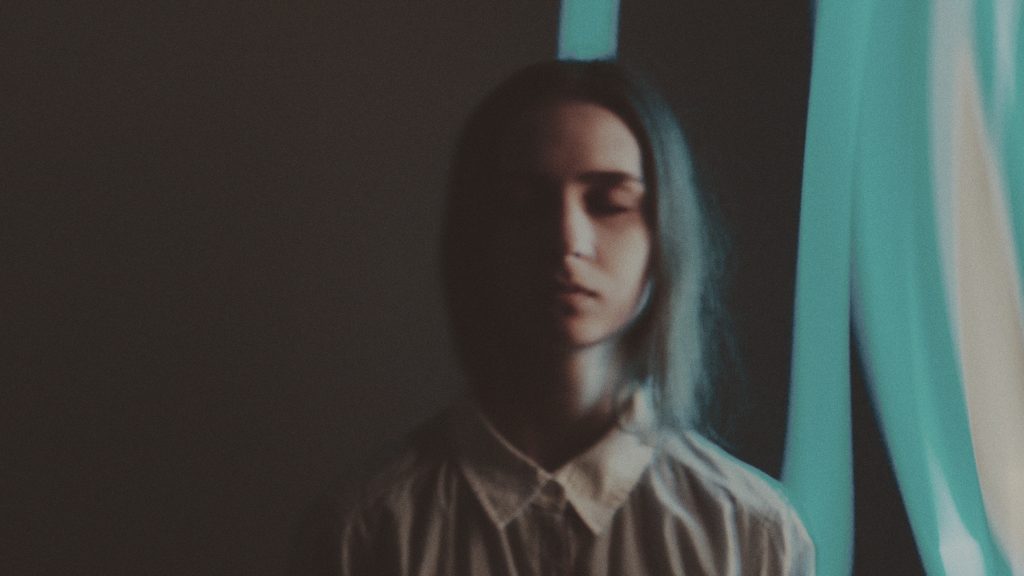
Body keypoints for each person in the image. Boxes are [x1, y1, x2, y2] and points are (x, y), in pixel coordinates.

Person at [291, 59, 814, 575]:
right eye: (524, 203)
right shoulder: (366, 531)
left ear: (664, 236)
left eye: (609, 203)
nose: (568, 242)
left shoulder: (749, 535)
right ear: (479, 234)